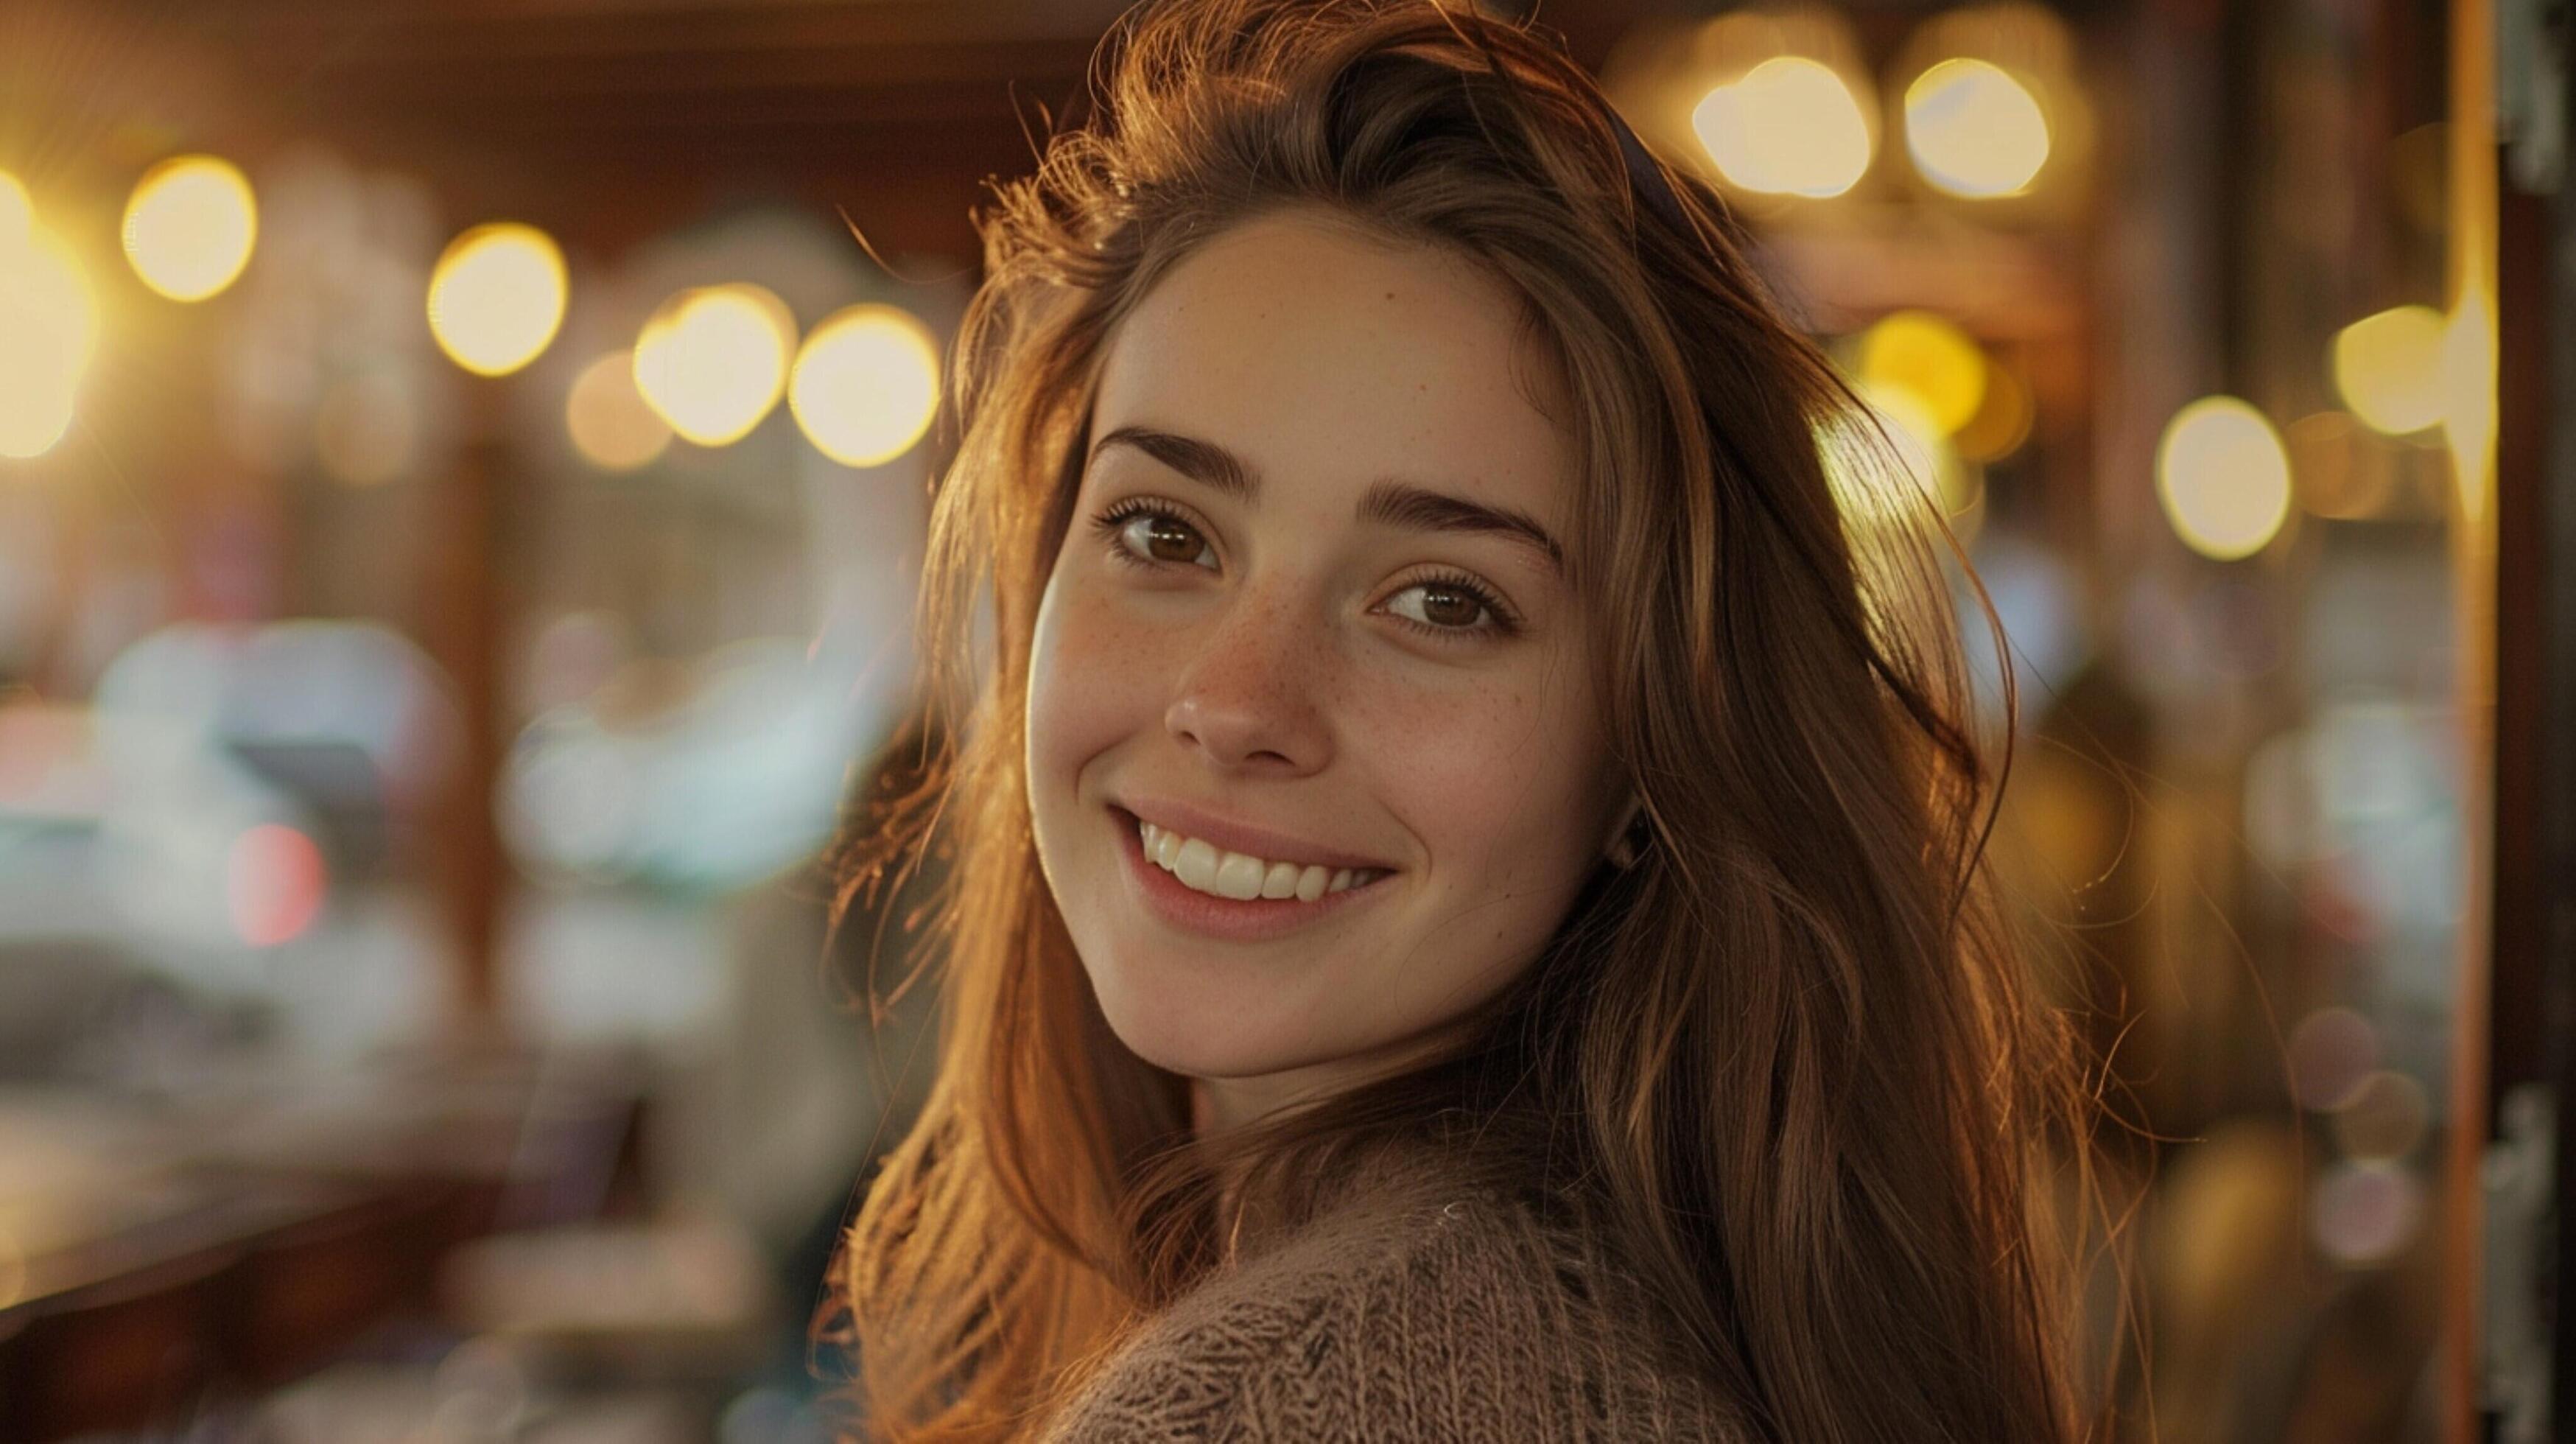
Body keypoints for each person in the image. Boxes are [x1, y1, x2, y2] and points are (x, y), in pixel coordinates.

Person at [826, 1, 2105, 1439]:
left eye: (1443, 600)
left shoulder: (1286, 1404)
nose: (1236, 702)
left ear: (1652, 747)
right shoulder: (1631, 1321)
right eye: (1165, 530)